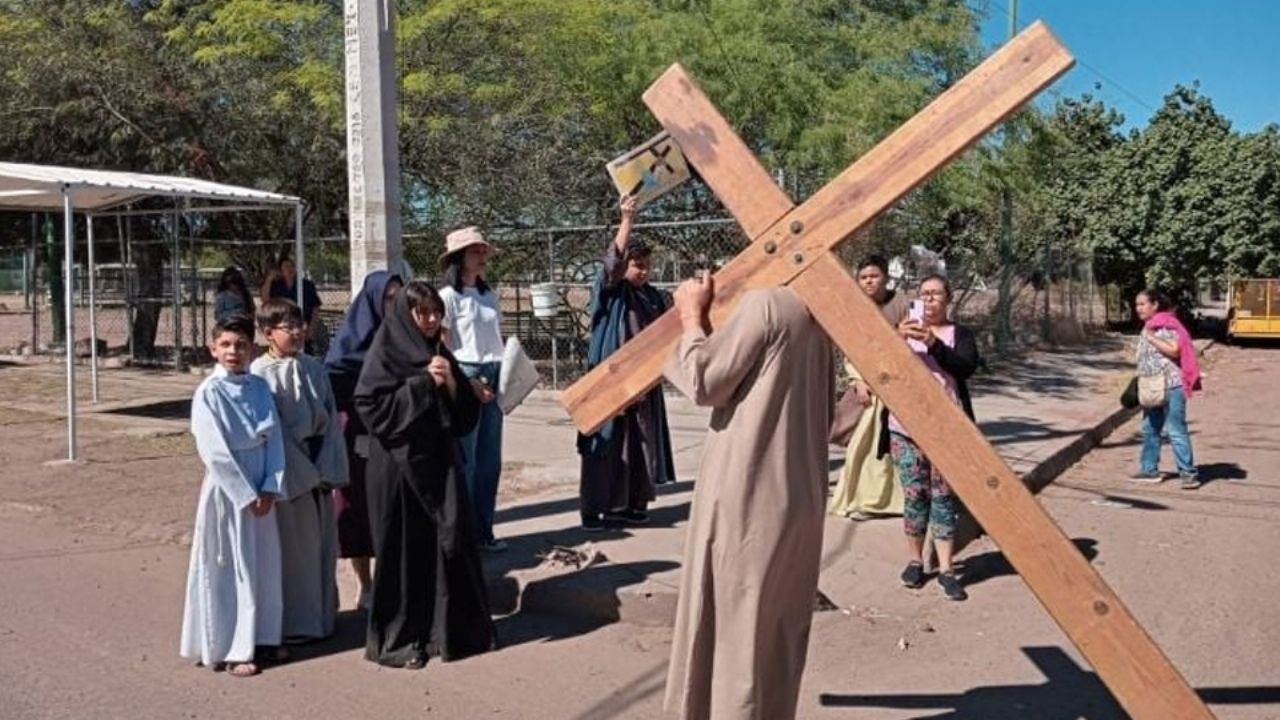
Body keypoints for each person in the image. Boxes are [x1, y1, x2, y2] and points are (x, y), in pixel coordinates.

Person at [662, 272, 834, 720]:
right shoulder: (819, 316)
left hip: (748, 490)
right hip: (800, 497)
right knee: (774, 630)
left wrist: (690, 316)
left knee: (735, 630)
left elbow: (704, 380)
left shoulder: (768, 304)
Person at [354, 280, 497, 669]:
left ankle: (448, 633)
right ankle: (401, 641)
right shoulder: (385, 353)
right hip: (399, 470)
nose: (432, 320)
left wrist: (452, 381)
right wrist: (422, 384)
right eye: (423, 313)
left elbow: (463, 417)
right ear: (407, 314)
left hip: (439, 465)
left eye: (437, 313)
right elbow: (371, 407)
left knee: (448, 543)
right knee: (404, 553)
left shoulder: (439, 353)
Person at [180, 314, 286, 677]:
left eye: (240, 345)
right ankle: (233, 644)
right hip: (231, 489)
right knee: (232, 566)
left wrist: (271, 484)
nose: (233, 351)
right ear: (213, 349)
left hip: (262, 484)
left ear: (252, 348)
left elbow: (274, 438)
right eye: (225, 344)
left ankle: (265, 638)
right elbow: (214, 451)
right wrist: (245, 493)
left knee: (264, 564)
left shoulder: (259, 387)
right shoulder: (208, 393)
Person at [251, 298, 349, 642]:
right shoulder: (259, 376)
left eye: (299, 325)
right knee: (295, 552)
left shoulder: (314, 368)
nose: (297, 332)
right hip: (290, 474)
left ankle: (322, 617)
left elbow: (330, 419)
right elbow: (270, 431)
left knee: (321, 547)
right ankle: (294, 624)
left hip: (319, 468)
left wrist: (327, 466)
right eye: (288, 327)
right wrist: (300, 471)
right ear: (268, 334)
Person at [576, 195, 676, 531]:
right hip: (611, 376)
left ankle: (632, 502)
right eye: (637, 265)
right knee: (605, 444)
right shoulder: (612, 291)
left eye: (648, 265)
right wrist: (627, 220)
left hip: (644, 381)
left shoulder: (654, 296)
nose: (644, 271)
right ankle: (597, 509)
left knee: (640, 440)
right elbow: (610, 266)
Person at [890, 274, 979, 602]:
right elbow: (883, 367)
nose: (929, 301)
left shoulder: (960, 334)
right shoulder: (901, 331)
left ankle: (946, 569)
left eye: (935, 294)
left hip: (947, 430)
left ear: (948, 298)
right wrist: (897, 341)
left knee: (943, 499)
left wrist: (933, 343)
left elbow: (966, 367)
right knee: (915, 496)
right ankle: (915, 561)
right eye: (923, 295)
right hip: (905, 427)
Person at [324, 270, 402, 610]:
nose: (394, 304)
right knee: (356, 508)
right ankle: (365, 585)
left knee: (389, 509)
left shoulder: (403, 337)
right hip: (356, 434)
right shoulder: (349, 344)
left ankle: (389, 580)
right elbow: (333, 381)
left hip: (393, 435)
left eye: (399, 298)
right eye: (388, 298)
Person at [438, 226, 507, 552]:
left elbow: (497, 338)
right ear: (459, 258)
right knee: (467, 459)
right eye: (475, 251)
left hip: (495, 371)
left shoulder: (488, 295)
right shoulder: (448, 298)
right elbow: (444, 346)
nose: (481, 257)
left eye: (483, 251)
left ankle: (484, 529)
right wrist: (465, 383)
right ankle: (464, 532)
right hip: (467, 373)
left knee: (490, 459)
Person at [829, 254, 910, 520]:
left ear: (885, 277)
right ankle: (865, 500)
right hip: (867, 385)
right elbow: (850, 347)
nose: (868, 282)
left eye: (873, 276)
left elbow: (910, 340)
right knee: (863, 443)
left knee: (895, 443)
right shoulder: (855, 307)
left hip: (898, 381)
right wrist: (858, 380)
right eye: (863, 277)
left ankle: (895, 501)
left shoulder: (900, 303)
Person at [1130, 288, 1201, 489]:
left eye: (1143, 304)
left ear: (1155, 305)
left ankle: (1188, 473)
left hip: (1171, 386)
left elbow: (1175, 350)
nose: (1139, 308)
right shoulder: (1150, 325)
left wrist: (1151, 338)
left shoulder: (1165, 323)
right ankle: (1149, 470)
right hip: (1152, 387)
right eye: (1137, 304)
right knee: (1150, 429)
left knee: (1176, 430)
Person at [261, 253, 323, 353]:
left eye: (292, 266)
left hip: (302, 327)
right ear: (280, 269)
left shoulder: (306, 285)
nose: (290, 269)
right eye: (286, 266)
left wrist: (311, 329)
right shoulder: (276, 285)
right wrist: (269, 279)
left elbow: (315, 308)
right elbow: (265, 301)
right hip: (283, 328)